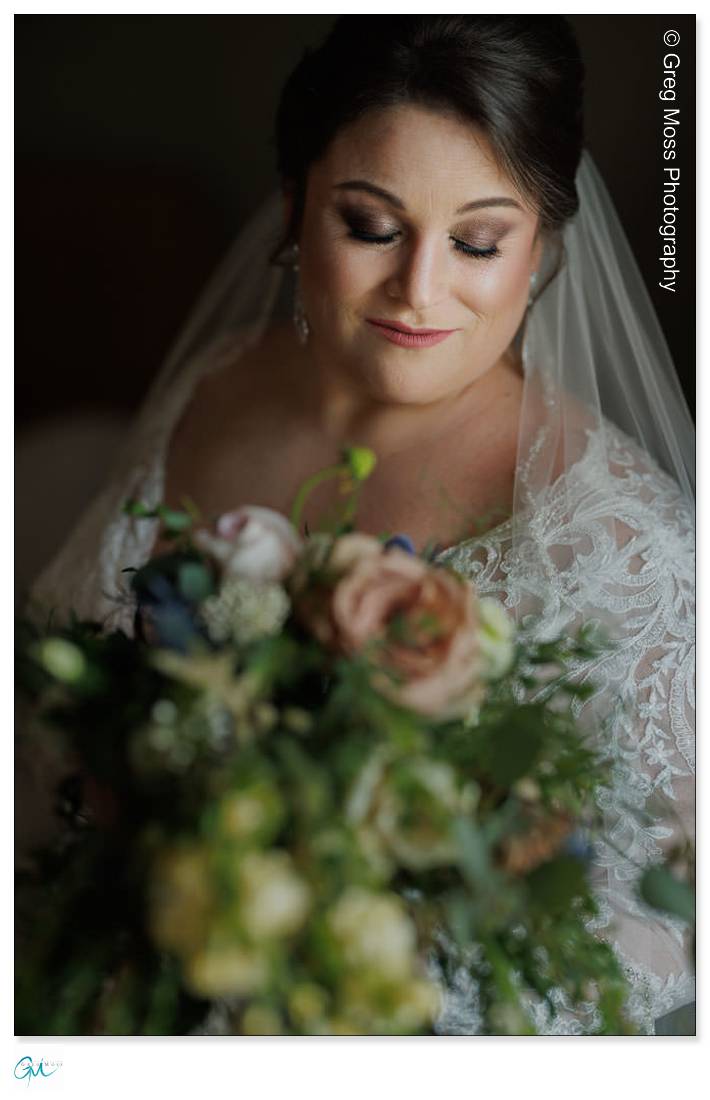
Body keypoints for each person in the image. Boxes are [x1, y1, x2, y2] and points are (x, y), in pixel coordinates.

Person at [22, 15, 694, 1035]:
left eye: (476, 242)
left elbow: (654, 930)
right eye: (372, 226)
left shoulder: (620, 541)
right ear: (295, 206)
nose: (418, 291)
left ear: (541, 248)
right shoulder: (217, 384)